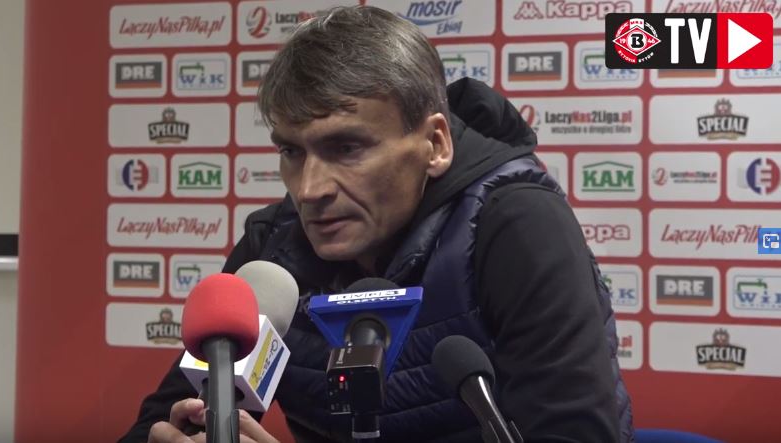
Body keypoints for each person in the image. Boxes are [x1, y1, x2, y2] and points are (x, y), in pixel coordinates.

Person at [120, 5, 634, 443]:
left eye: (346, 147)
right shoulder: (273, 250)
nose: (309, 189)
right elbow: (156, 424)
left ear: (434, 145)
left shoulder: (515, 223)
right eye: (291, 152)